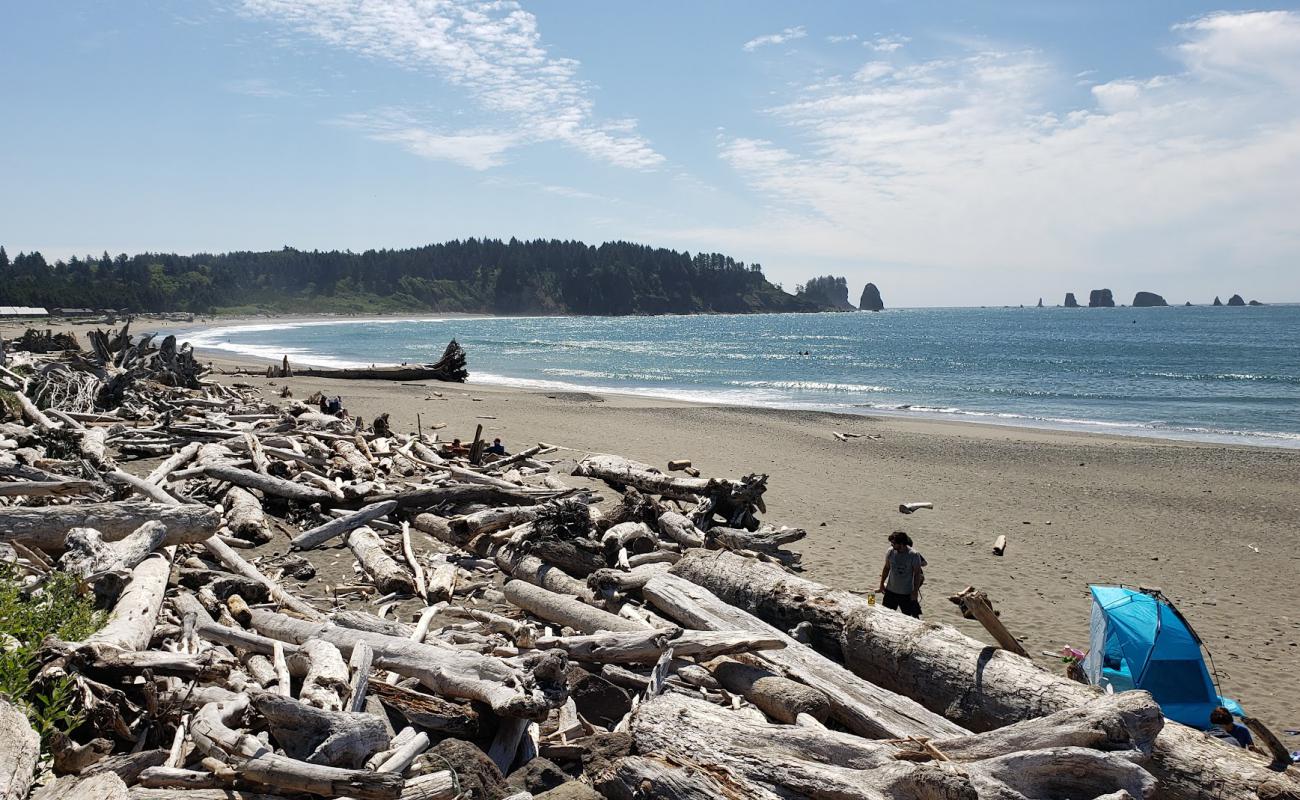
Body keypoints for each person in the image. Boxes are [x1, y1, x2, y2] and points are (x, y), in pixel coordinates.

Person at [877, 530, 926, 618]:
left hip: (906, 594)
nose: (892, 545)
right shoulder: (890, 552)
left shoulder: (914, 555)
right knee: (885, 616)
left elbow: (917, 575)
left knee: (910, 618)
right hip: (890, 592)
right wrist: (881, 584)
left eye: (894, 543)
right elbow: (886, 568)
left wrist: (915, 592)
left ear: (902, 543)